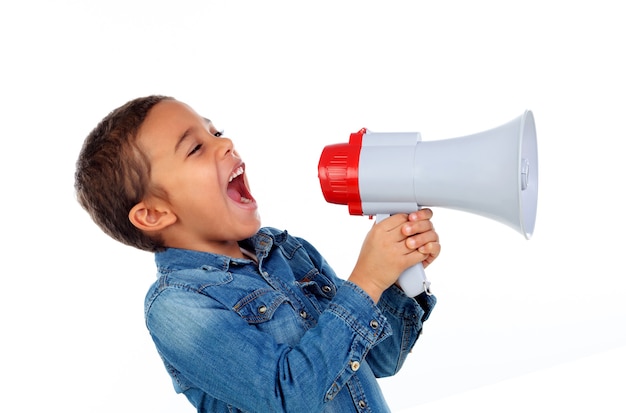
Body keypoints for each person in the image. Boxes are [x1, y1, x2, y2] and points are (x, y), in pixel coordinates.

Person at [74, 95, 441, 413]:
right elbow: (288, 398)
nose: (225, 142)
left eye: (215, 132)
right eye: (195, 148)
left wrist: (396, 279)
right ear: (153, 214)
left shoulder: (287, 251)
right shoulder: (176, 306)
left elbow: (379, 358)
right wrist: (368, 281)